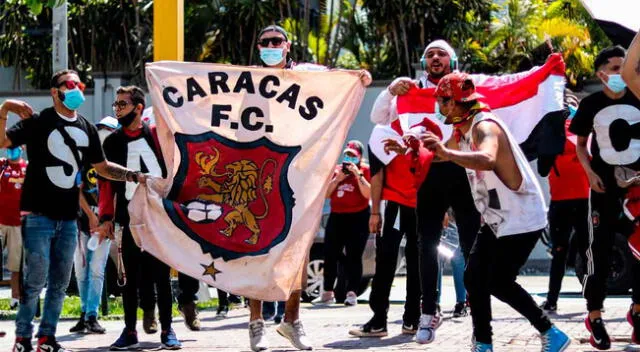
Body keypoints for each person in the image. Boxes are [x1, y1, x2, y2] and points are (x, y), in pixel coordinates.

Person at [386, 72, 571, 352]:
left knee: (497, 281)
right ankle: (483, 343)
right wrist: (405, 149)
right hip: (498, 218)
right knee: (473, 277)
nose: (439, 106)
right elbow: (438, 155)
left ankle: (550, 332)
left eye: (444, 100)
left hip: (521, 218)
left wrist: (449, 155)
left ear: (459, 102)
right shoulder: (461, 131)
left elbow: (487, 158)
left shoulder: (485, 127)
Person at [3, 69, 148, 352]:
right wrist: (4, 108)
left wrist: (132, 174)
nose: (77, 90)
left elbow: (102, 167)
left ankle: (47, 338)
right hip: (38, 215)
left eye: (79, 84)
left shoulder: (87, 127)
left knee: (59, 284)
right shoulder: (39, 121)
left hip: (69, 217)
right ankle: (22, 338)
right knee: (35, 282)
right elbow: (2, 142)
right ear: (55, 92)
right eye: (69, 85)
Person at [246, 24, 371, 352]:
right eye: (265, 42)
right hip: (260, 170)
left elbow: (336, 77)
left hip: (299, 170)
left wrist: (358, 77)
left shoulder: (306, 73)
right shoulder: (248, 80)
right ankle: (256, 323)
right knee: (258, 245)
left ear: (287, 45)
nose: (271, 46)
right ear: (258, 47)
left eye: (276, 41)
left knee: (298, 248)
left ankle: (292, 320)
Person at [370, 39, 481, 344]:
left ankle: (478, 309)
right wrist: (391, 90)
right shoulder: (409, 91)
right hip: (427, 175)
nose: (435, 57)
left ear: (452, 60)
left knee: (473, 245)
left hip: (462, 170)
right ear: (423, 61)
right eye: (430, 53)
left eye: (441, 53)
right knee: (425, 245)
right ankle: (428, 312)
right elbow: (378, 119)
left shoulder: (470, 88)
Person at [98, 86, 181, 350]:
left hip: (158, 218)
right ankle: (130, 330)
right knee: (129, 277)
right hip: (128, 218)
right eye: (116, 105)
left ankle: (168, 329)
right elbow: (106, 183)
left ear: (138, 107)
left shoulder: (157, 136)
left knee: (161, 275)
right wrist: (106, 217)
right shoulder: (111, 142)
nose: (117, 109)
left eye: (122, 104)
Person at [570, 46, 640, 349]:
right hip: (604, 189)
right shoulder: (591, 104)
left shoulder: (639, 97)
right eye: (615, 68)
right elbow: (581, 144)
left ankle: (638, 312)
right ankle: (595, 316)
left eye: (625, 67)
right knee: (598, 251)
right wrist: (589, 172)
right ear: (601, 73)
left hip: (636, 188)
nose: (621, 73)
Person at [348, 123, 422, 336]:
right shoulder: (384, 131)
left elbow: (433, 170)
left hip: (419, 204)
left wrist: (441, 208)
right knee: (386, 263)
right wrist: (375, 212)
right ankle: (380, 319)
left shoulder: (425, 127)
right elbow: (377, 174)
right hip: (394, 204)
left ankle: (412, 319)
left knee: (417, 262)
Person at [539, 96, 590, 313]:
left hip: (582, 200)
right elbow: (542, 168)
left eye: (571, 103)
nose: (568, 108)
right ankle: (553, 300)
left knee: (585, 250)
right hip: (565, 201)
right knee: (564, 251)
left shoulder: (587, 131)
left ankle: (591, 300)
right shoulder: (553, 134)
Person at [317, 140, 371, 306]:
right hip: (337, 216)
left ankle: (351, 293)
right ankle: (327, 292)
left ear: (360, 157)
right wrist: (338, 179)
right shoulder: (337, 170)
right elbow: (326, 194)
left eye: (353, 156)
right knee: (330, 254)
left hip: (358, 217)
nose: (349, 158)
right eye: (347, 155)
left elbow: (368, 193)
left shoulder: (365, 170)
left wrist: (357, 174)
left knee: (354, 256)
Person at [68, 144, 111, 334]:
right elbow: (77, 191)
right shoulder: (81, 163)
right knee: (80, 271)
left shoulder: (111, 165)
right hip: (81, 224)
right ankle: (84, 313)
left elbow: (116, 195)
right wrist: (91, 215)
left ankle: (92, 315)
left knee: (96, 269)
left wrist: (104, 221)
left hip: (105, 226)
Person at [0, 146, 26, 310]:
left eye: (15, 148)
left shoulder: (27, 168)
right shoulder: (2, 165)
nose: (12, 151)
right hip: (1, 222)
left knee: (16, 264)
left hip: (18, 223)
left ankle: (15, 298)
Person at [436, 210, 467, 318]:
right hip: (440, 215)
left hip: (457, 216)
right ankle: (435, 302)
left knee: (458, 260)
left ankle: (461, 303)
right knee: (438, 261)